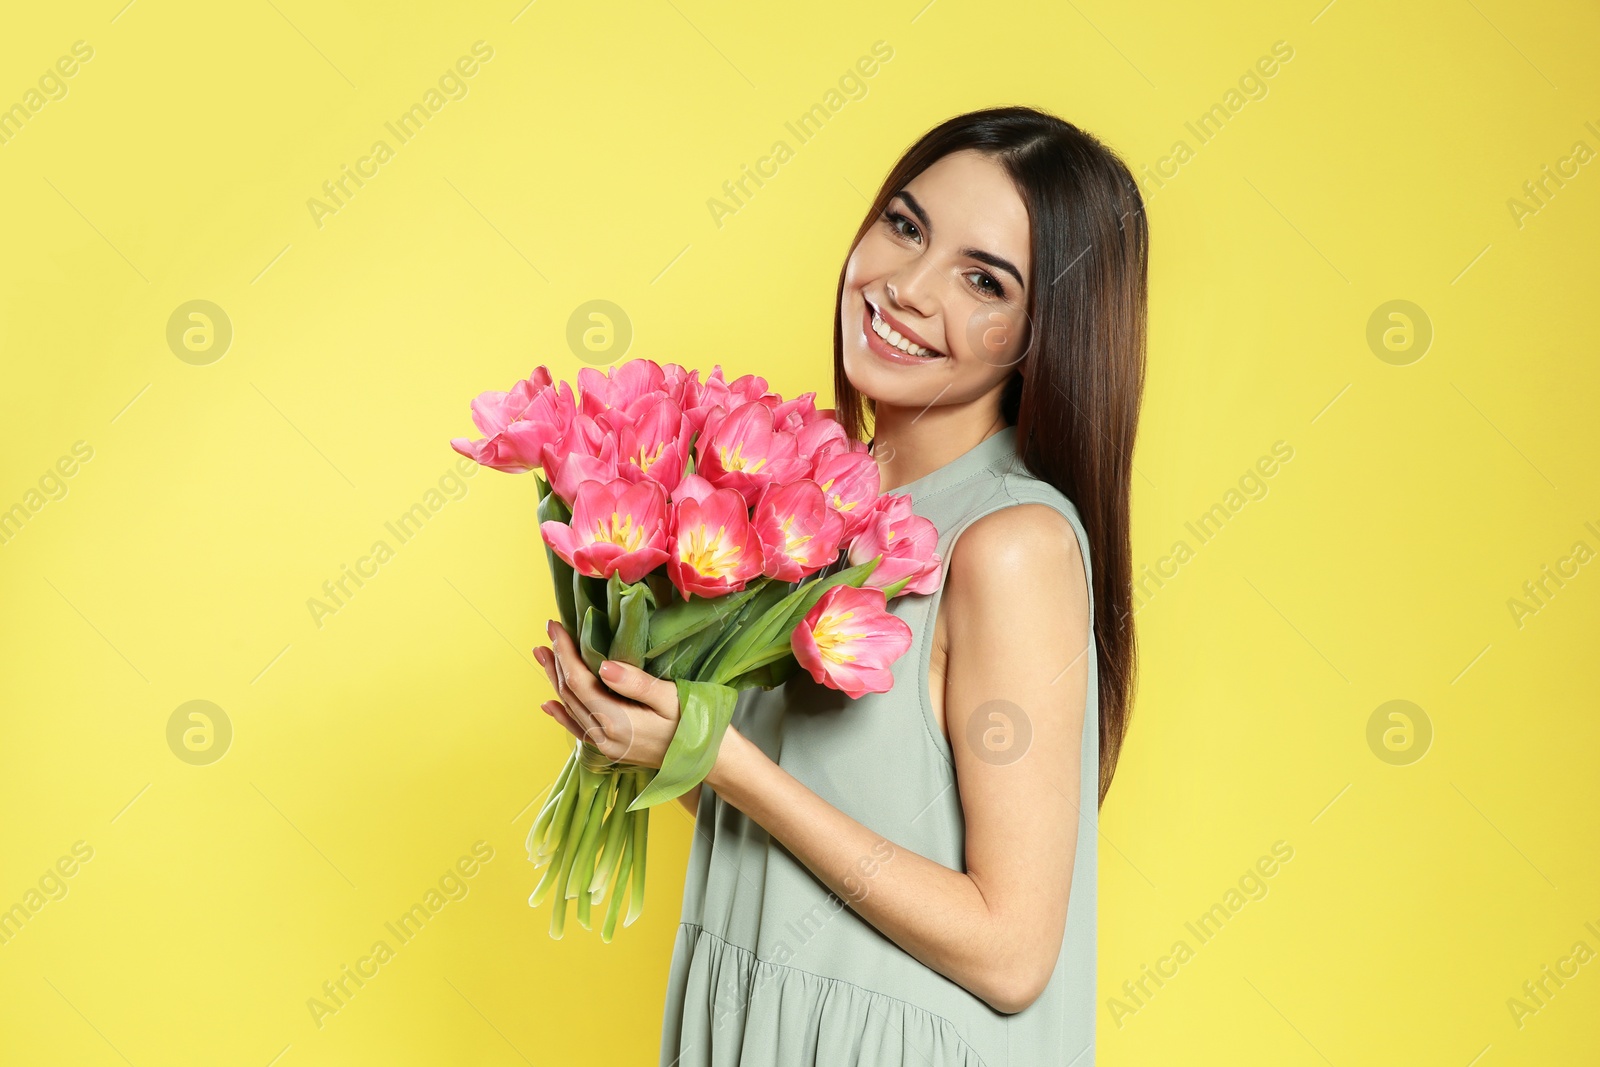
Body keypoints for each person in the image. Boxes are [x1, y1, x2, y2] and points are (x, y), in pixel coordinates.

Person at [533, 105, 1147, 1066]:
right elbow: (806, 827)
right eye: (905, 225)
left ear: (1039, 333)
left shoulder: (1009, 544)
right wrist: (648, 739)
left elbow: (1011, 949)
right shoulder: (809, 504)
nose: (904, 287)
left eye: (983, 279)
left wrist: (719, 755)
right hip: (756, 1020)